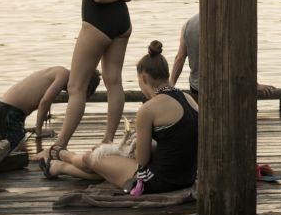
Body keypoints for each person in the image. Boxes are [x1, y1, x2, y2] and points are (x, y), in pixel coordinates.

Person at [50, 0, 166, 160]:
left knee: (76, 87)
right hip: (121, 23)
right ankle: (108, 140)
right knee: (114, 82)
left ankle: (59, 146)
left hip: (96, 24)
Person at [47, 41, 198, 194]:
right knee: (110, 168)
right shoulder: (189, 99)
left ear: (144, 78)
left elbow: (141, 160)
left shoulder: (149, 109)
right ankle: (60, 167)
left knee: (93, 158)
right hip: (186, 178)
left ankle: (64, 155)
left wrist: (137, 142)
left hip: (159, 181)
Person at [170, 14, 277, 101]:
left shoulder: (188, 24)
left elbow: (179, 58)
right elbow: (240, 60)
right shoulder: (229, 24)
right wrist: (254, 84)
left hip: (197, 89)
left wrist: (171, 84)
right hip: (225, 89)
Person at [0, 65, 99, 152]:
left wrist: (24, 126)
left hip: (9, 112)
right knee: (16, 152)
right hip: (7, 114)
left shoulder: (60, 71)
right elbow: (45, 102)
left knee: (17, 148)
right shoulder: (63, 75)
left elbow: (27, 100)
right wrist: (39, 130)